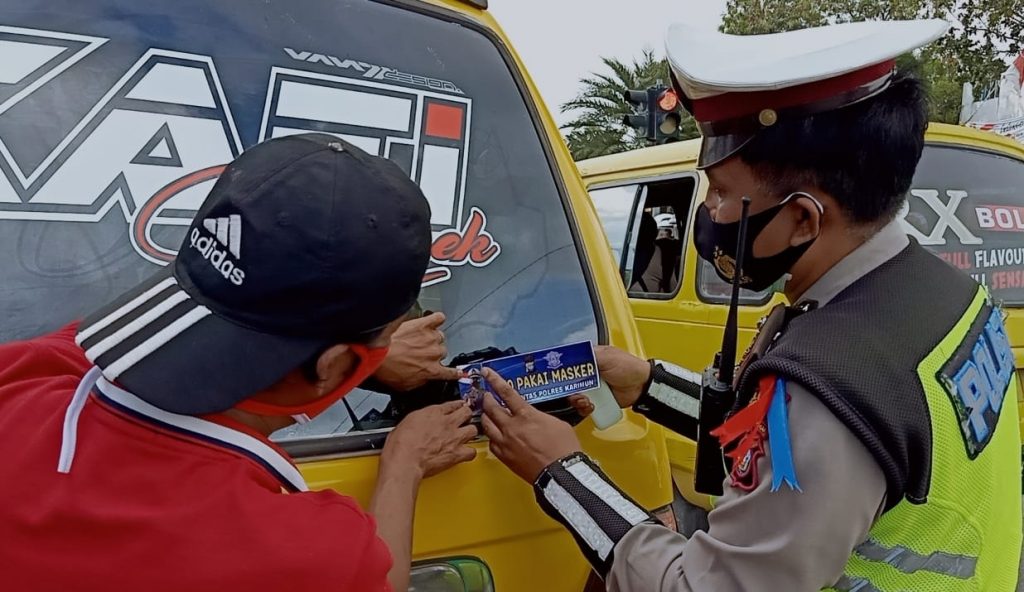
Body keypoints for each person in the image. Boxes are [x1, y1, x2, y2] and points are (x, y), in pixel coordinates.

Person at [480, 19, 1022, 592]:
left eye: (719, 192)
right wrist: (647, 385)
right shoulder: (952, 295)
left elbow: (700, 586)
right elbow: (775, 444)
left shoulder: (829, 386)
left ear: (802, 219)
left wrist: (560, 472)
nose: (708, 214)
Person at [0, 133, 477, 592]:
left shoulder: (19, 379)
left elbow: (94, 348)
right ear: (334, 368)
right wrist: (404, 464)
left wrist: (357, 359)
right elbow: (379, 578)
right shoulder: (303, 555)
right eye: (390, 333)